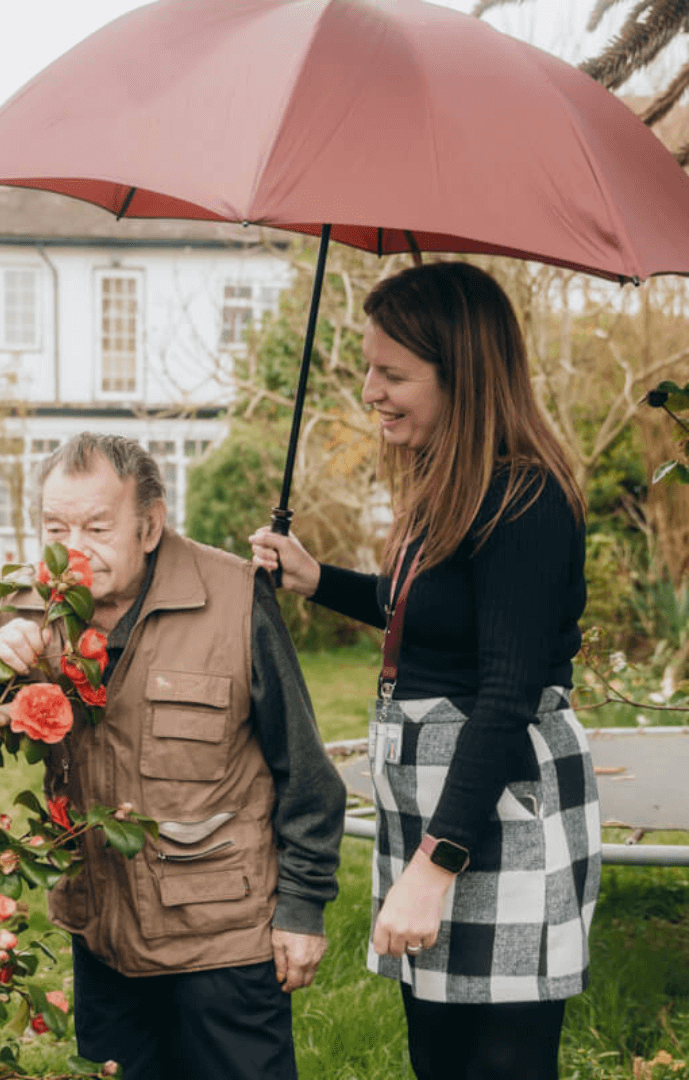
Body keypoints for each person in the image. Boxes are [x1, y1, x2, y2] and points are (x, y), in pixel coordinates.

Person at [251, 262, 601, 1080]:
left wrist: (434, 865)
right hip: (440, 803)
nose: (370, 390)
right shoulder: (450, 482)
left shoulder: (525, 500)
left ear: (465, 376)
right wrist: (319, 579)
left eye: (394, 373)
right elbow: (438, 613)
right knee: (438, 1055)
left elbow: (506, 692)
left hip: (496, 806)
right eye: (369, 366)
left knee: (499, 1064)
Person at [0, 432, 346, 1080]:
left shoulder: (236, 601)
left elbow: (308, 775)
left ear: (150, 526)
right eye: (55, 526)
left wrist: (302, 908)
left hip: (224, 946)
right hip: (104, 944)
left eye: (97, 526)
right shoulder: (35, 611)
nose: (74, 548)